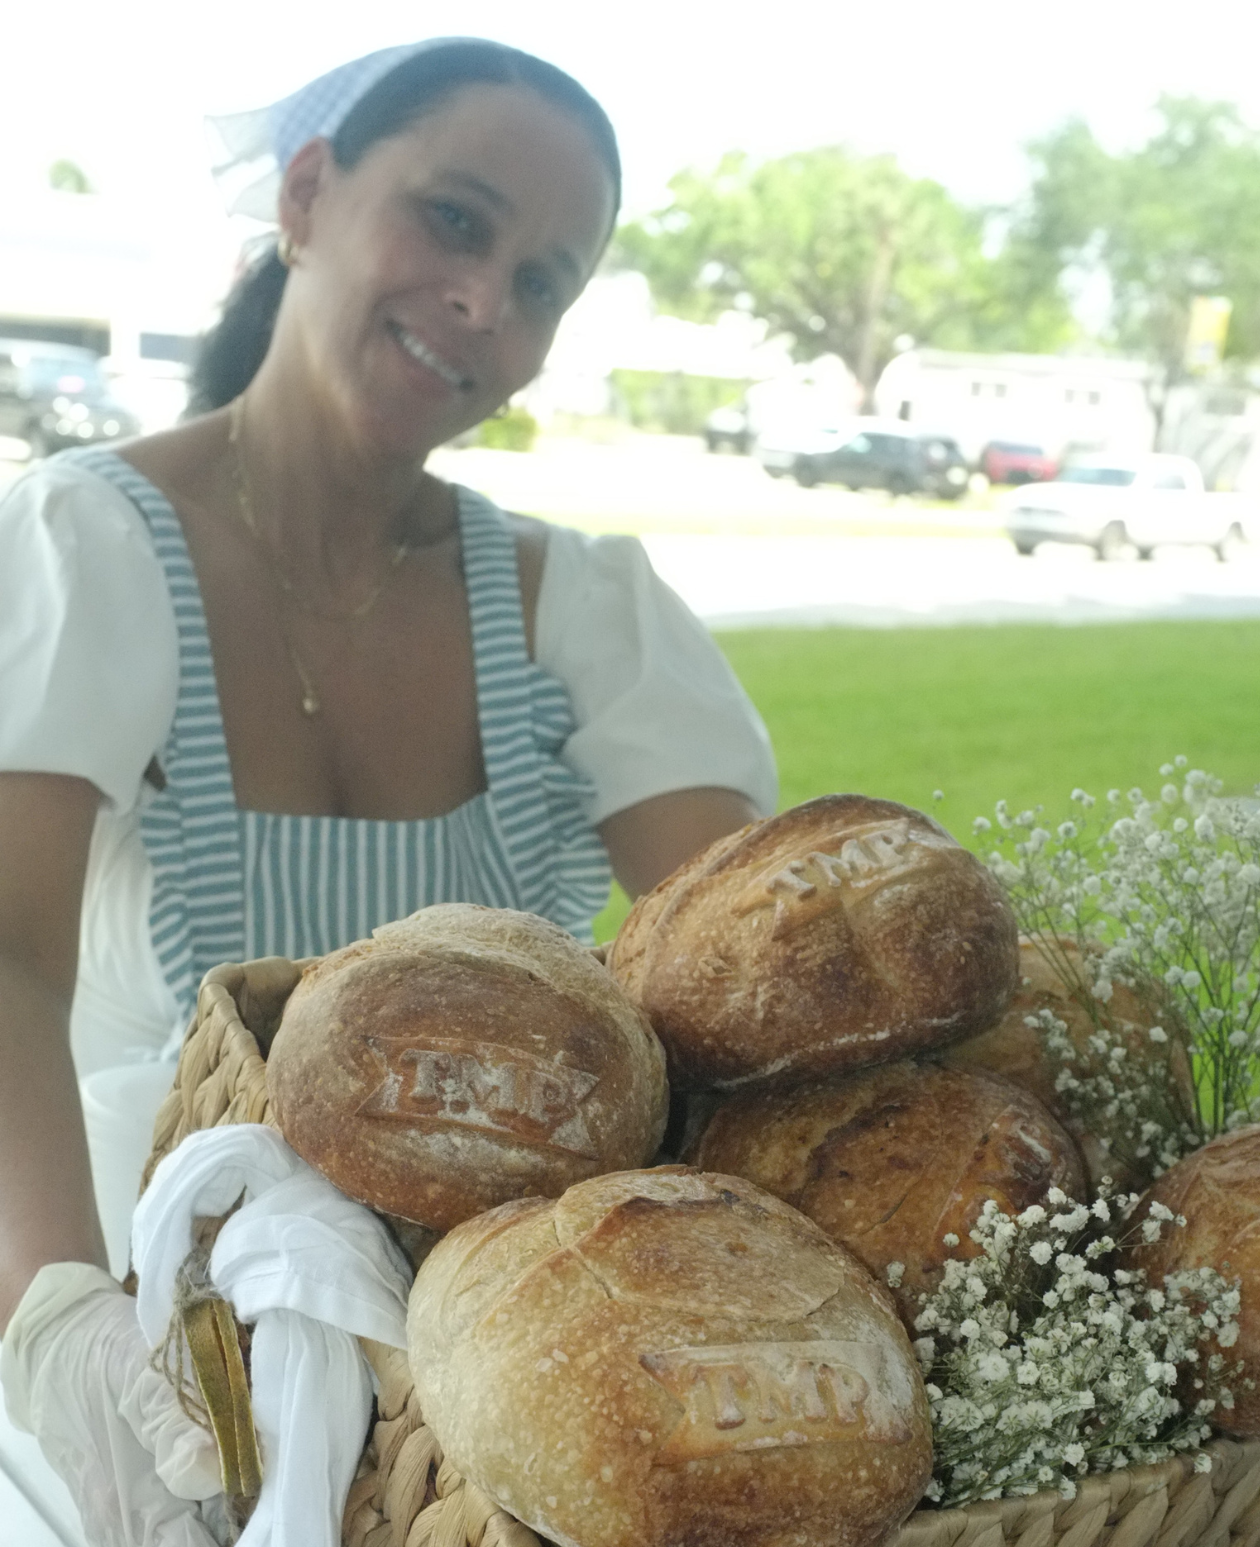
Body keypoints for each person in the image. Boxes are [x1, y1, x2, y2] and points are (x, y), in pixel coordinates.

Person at [0, 38, 776, 1327]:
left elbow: (751, 984)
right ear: (306, 197)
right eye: (452, 219)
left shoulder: (577, 609)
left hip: (479, 1415)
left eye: (539, 280)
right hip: (142, 1326)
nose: (482, 299)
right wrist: (65, 1333)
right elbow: (6, 960)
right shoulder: (93, 547)